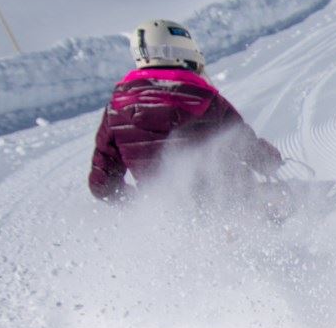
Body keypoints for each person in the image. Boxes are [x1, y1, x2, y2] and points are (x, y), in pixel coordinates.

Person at [88, 19, 283, 201]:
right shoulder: (203, 98)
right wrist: (270, 160)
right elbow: (245, 145)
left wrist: (139, 203)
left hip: (164, 213)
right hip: (224, 202)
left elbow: (102, 183)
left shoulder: (116, 109)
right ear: (183, 53)